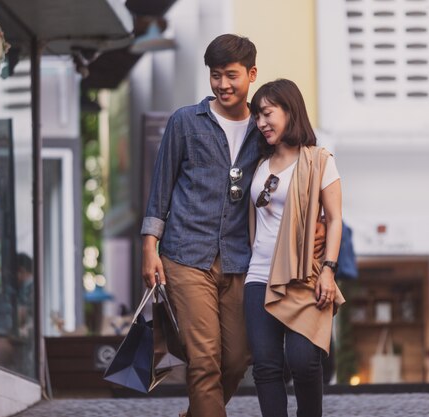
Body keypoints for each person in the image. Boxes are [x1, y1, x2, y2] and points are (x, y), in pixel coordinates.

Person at [141, 34, 261, 417]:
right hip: (186, 255)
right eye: (215, 75)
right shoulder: (184, 122)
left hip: (242, 260)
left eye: (231, 75)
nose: (223, 84)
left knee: (238, 358)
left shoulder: (264, 129)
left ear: (251, 74)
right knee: (204, 359)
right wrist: (149, 248)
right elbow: (160, 188)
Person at [244, 79, 346, 417]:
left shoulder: (319, 159)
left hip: (304, 274)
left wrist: (328, 270)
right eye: (257, 116)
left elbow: (334, 219)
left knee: (303, 361)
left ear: (290, 110)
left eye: (268, 113)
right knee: (266, 368)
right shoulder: (258, 163)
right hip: (259, 275)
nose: (262, 123)